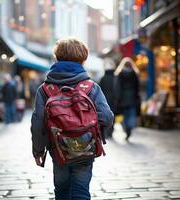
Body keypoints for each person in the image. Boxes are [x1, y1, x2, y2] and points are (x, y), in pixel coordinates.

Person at [31, 38, 114, 200]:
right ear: (83, 59)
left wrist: (38, 151)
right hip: (85, 147)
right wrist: (95, 132)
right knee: (81, 191)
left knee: (61, 191)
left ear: (57, 57)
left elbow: (37, 123)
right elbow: (107, 117)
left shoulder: (45, 89)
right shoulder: (91, 87)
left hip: (58, 149)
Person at [114, 57, 140, 141]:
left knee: (124, 115)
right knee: (132, 113)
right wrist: (136, 96)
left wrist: (118, 98)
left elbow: (117, 87)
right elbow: (137, 87)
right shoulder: (134, 74)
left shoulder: (120, 73)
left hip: (123, 98)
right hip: (132, 97)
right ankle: (130, 127)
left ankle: (126, 129)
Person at [99, 58, 116, 138]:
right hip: (113, 99)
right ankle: (111, 131)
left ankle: (106, 131)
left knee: (105, 114)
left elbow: (100, 90)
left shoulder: (103, 78)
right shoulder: (115, 78)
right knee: (112, 115)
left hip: (104, 99)